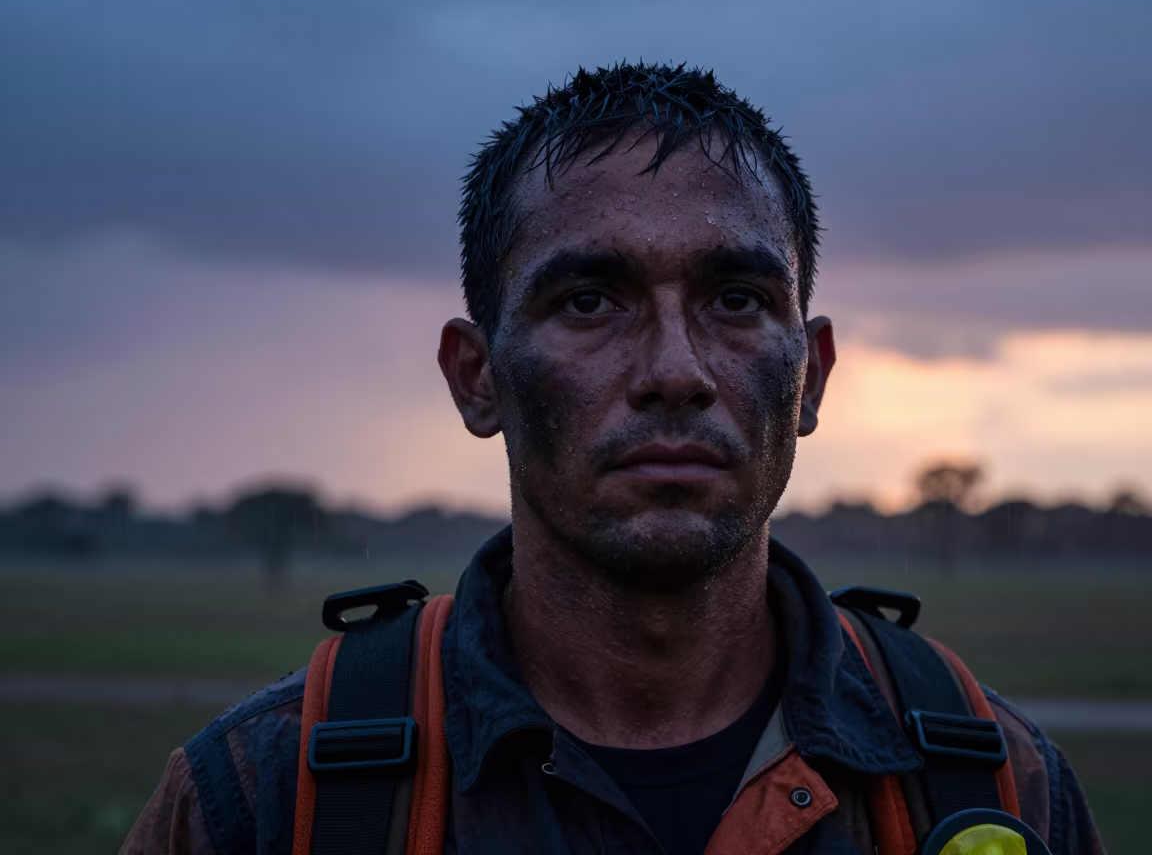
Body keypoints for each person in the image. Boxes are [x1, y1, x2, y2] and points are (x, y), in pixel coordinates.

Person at [122, 62, 1104, 855]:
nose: (674, 372)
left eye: (736, 300)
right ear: (478, 378)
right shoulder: (273, 794)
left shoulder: (992, 787)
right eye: (590, 301)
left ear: (810, 376)